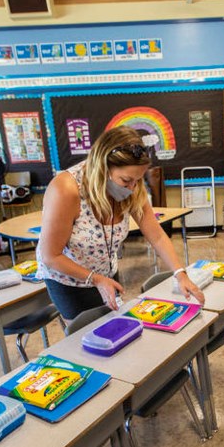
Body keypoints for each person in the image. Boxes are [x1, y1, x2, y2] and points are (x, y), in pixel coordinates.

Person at [37, 126, 205, 320]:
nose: (132, 187)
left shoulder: (133, 186)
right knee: (87, 338)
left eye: (138, 180)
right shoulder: (66, 189)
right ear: (103, 167)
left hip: (105, 273)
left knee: (114, 327)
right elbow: (51, 255)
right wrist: (96, 279)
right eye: (126, 181)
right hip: (70, 280)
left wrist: (180, 273)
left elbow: (156, 235)